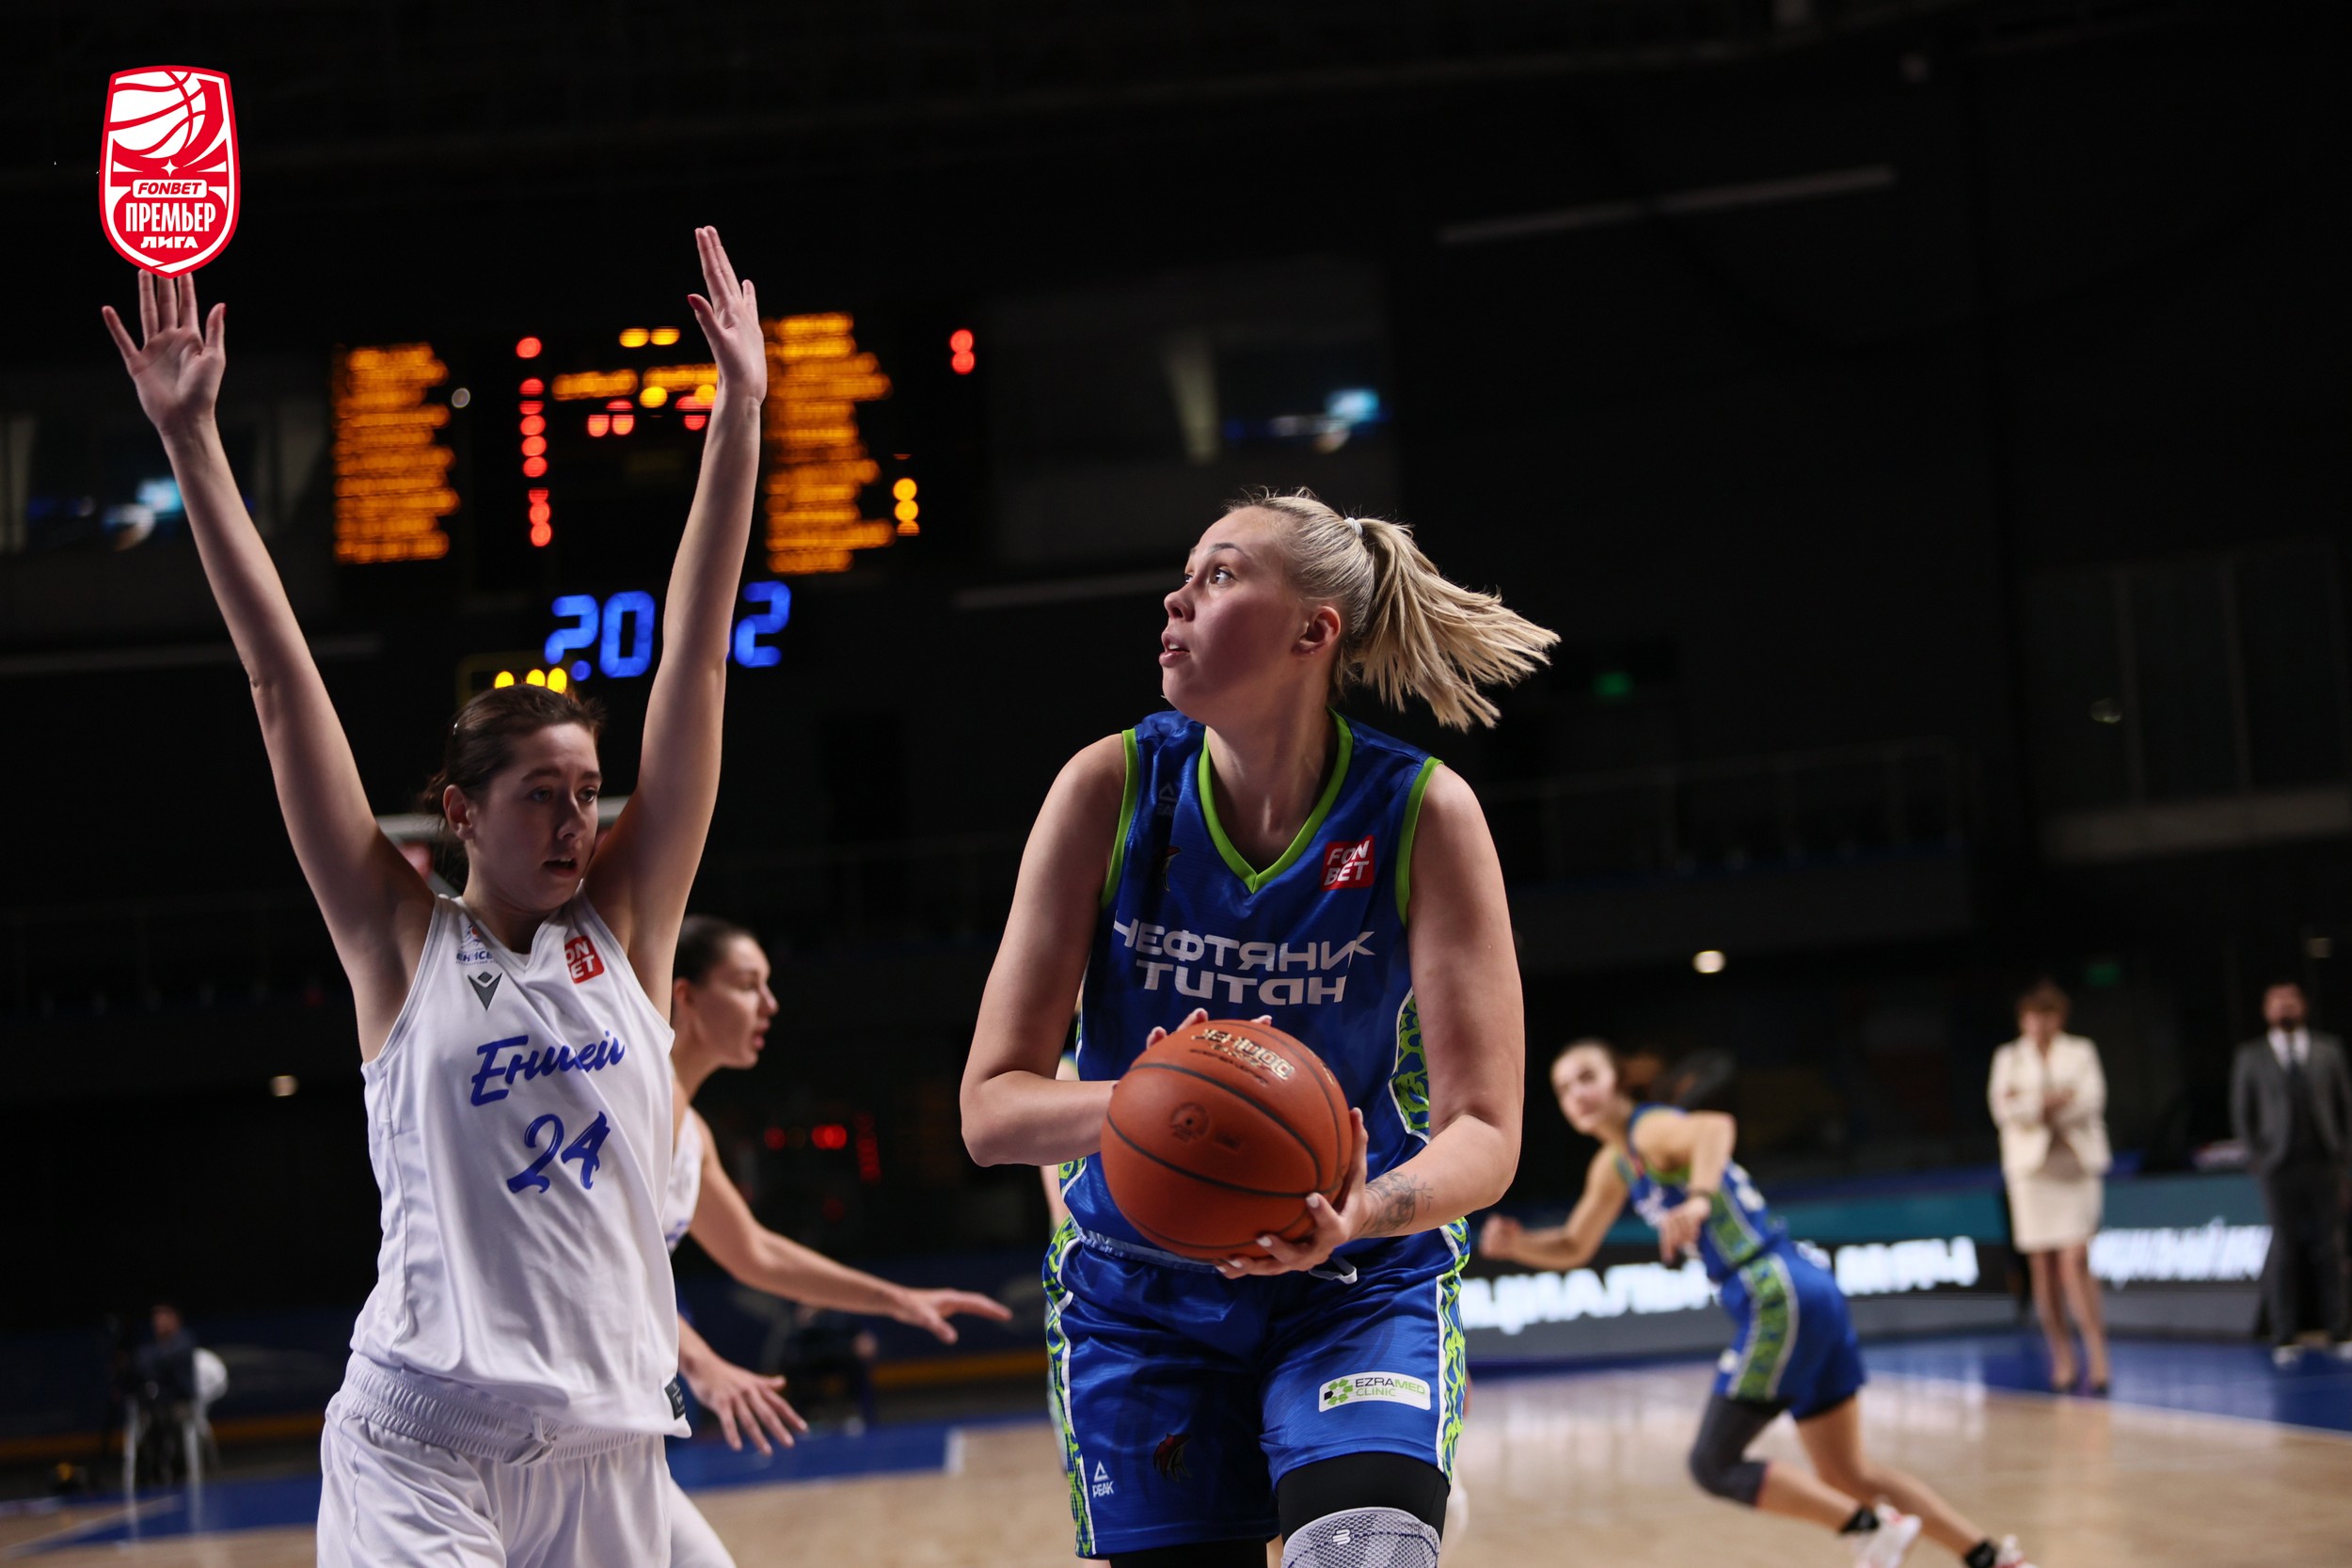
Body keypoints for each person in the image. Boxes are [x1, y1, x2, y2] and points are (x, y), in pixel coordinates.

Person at [102, 230, 766, 1567]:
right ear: (459, 811)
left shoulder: (628, 932)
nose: (575, 820)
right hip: (424, 1448)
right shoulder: (397, 943)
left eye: (589, 792)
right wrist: (192, 442)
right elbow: (280, 681)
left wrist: (740, 413)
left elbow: (694, 661)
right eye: (540, 794)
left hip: (612, 1450)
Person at [962, 489, 1549, 1567]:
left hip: (1356, 1277)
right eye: (1187, 574)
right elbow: (991, 1109)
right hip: (1138, 1295)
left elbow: (1487, 1130)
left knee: (1366, 1549)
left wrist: (1357, 1210)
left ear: (1311, 631)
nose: (1176, 598)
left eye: (1221, 574)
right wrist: (1170, 1101)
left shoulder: (1423, 812)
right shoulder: (1106, 788)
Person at [1482, 1041, 2037, 1568]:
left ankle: (1872, 1527)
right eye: (1563, 1088)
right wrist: (1517, 1246)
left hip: (1776, 1291)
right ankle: (1992, 1557)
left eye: (1587, 1077)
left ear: (1617, 1081)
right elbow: (1575, 1245)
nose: (1576, 1094)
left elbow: (1714, 1128)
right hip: (1807, 1289)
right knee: (1847, 1471)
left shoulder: (1649, 1128)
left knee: (1713, 1462)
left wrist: (1699, 1200)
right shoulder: (1616, 1163)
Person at [660, 914, 1013, 1567]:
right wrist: (703, 1364)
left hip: (618, 1418)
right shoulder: (632, 1103)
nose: (770, 1004)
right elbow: (601, 1265)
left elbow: (755, 1252)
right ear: (685, 995)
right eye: (747, 984)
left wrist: (897, 1299)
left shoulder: (693, 1133)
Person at [1987, 980, 2112, 1393]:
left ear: (2059, 1018)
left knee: (2075, 1259)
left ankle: (2097, 1354)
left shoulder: (2081, 1051)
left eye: (2047, 1015)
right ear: (2023, 1020)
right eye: (2032, 1017)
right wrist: (2047, 1101)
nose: (2039, 1024)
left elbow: (2091, 1100)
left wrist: (2035, 1103)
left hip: (2075, 1165)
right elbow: (2003, 1110)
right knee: (2042, 1265)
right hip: (2031, 1172)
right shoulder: (2008, 1057)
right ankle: (2062, 1356)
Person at [2231, 980, 2352, 1365]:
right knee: (2284, 1248)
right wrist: (2258, 1157)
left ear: (2303, 1006)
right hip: (2278, 1166)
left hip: (2324, 1161)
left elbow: (2345, 1104)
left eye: (2291, 1000)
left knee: (2331, 1247)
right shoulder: (2251, 1055)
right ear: (2266, 1010)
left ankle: (2340, 1330)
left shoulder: (2328, 1049)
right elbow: (2242, 1111)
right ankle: (2285, 1335)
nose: (2285, 1007)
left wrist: (2344, 1155)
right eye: (2277, 1001)